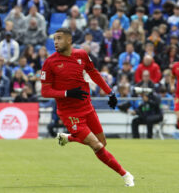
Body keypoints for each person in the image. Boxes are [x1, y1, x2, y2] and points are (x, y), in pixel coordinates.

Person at [40, 28, 134, 187]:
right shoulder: (50, 62)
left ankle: (68, 137)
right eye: (54, 39)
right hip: (69, 113)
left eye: (59, 38)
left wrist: (110, 92)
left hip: (87, 107)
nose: (56, 42)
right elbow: (45, 91)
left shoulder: (81, 55)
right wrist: (67, 93)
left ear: (69, 40)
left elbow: (94, 73)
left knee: (102, 144)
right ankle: (126, 175)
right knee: (96, 146)